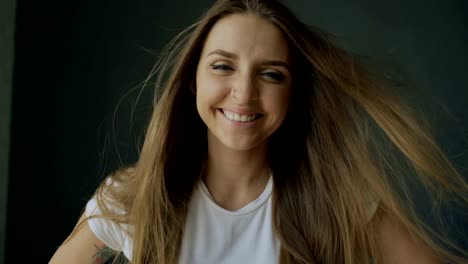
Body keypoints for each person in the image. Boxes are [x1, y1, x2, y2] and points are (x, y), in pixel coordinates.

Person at [50, 0, 468, 263]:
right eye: (222, 66)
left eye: (271, 74)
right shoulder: (132, 198)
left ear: (292, 93)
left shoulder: (342, 203)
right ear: (192, 80)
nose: (244, 93)